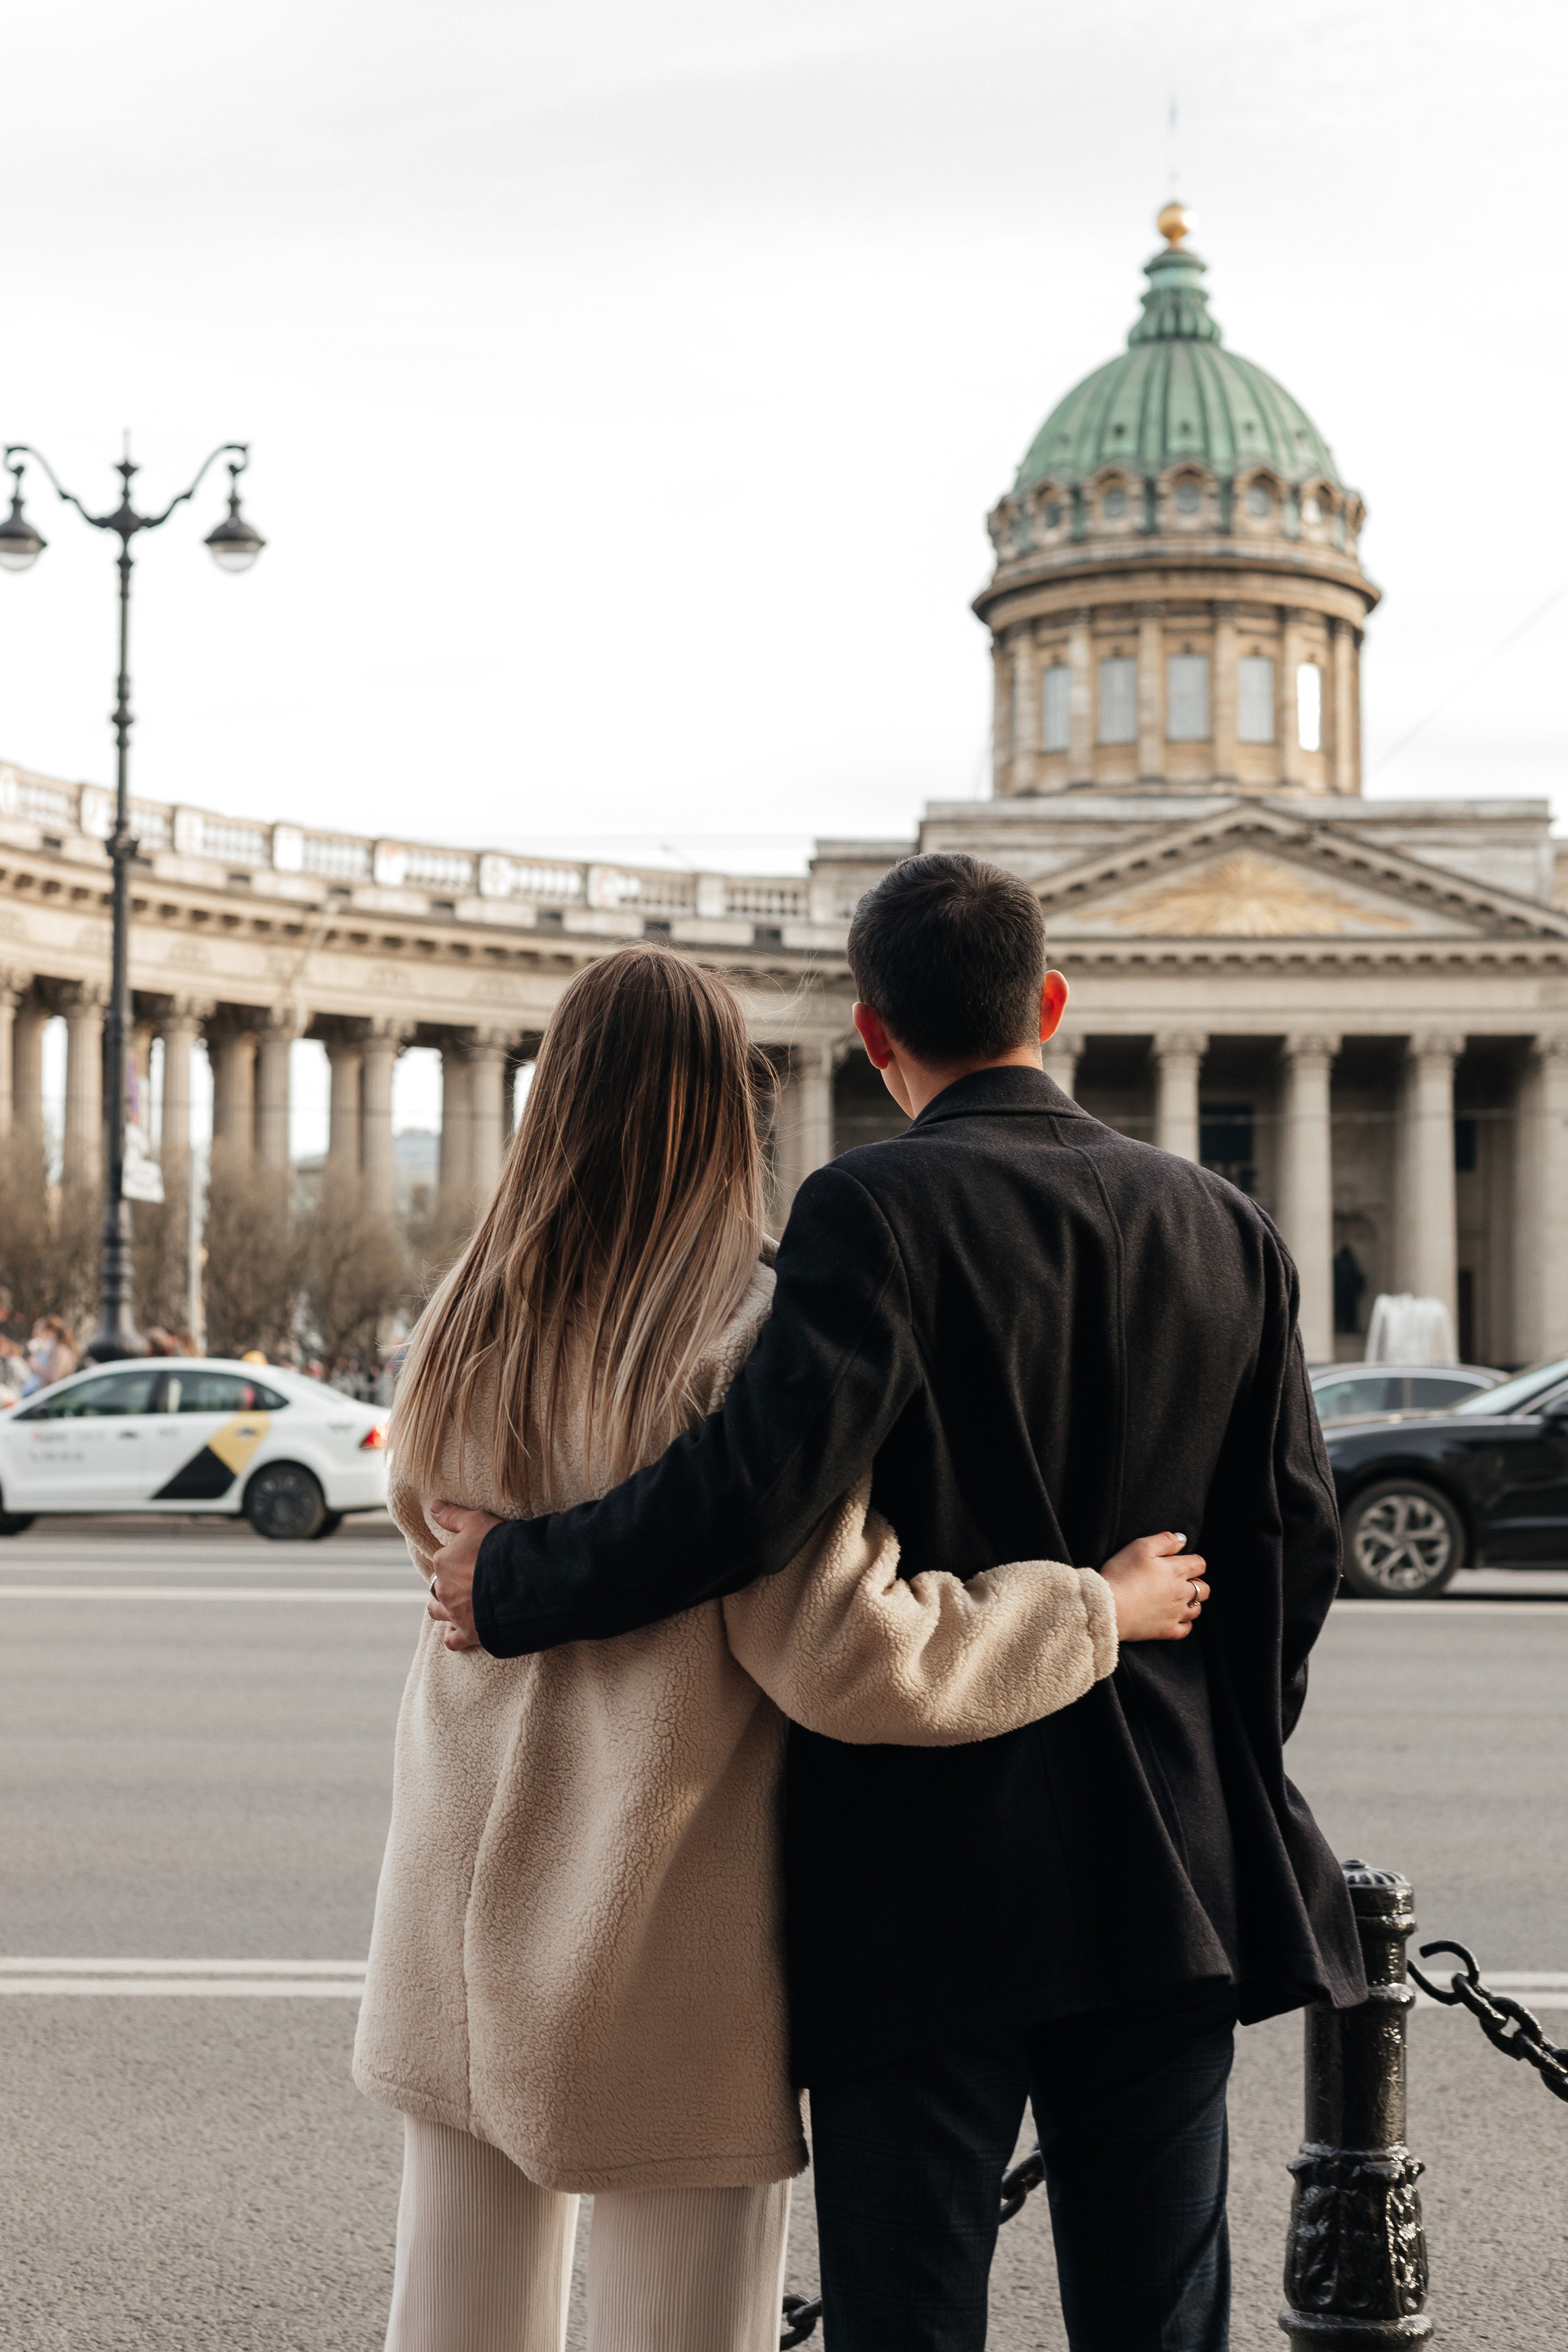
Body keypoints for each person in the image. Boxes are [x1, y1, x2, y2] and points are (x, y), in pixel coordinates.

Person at [428, 855, 1365, 2352]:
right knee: (1156, 2316)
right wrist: (1205, 1746)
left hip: (925, 1877)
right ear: (1050, 1004)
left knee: (908, 2318)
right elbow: (1290, 1549)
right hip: (1170, 1867)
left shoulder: (868, 1206)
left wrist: (517, 1576)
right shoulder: (1227, 1228)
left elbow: (747, 1495)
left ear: (871, 1035)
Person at [24, 1314, 78, 1398]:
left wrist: (35, 1366)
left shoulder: (60, 1351)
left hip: (55, 1400)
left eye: (40, 1330)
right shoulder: (55, 1349)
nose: (36, 1333)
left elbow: (53, 1377)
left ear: (51, 1332)